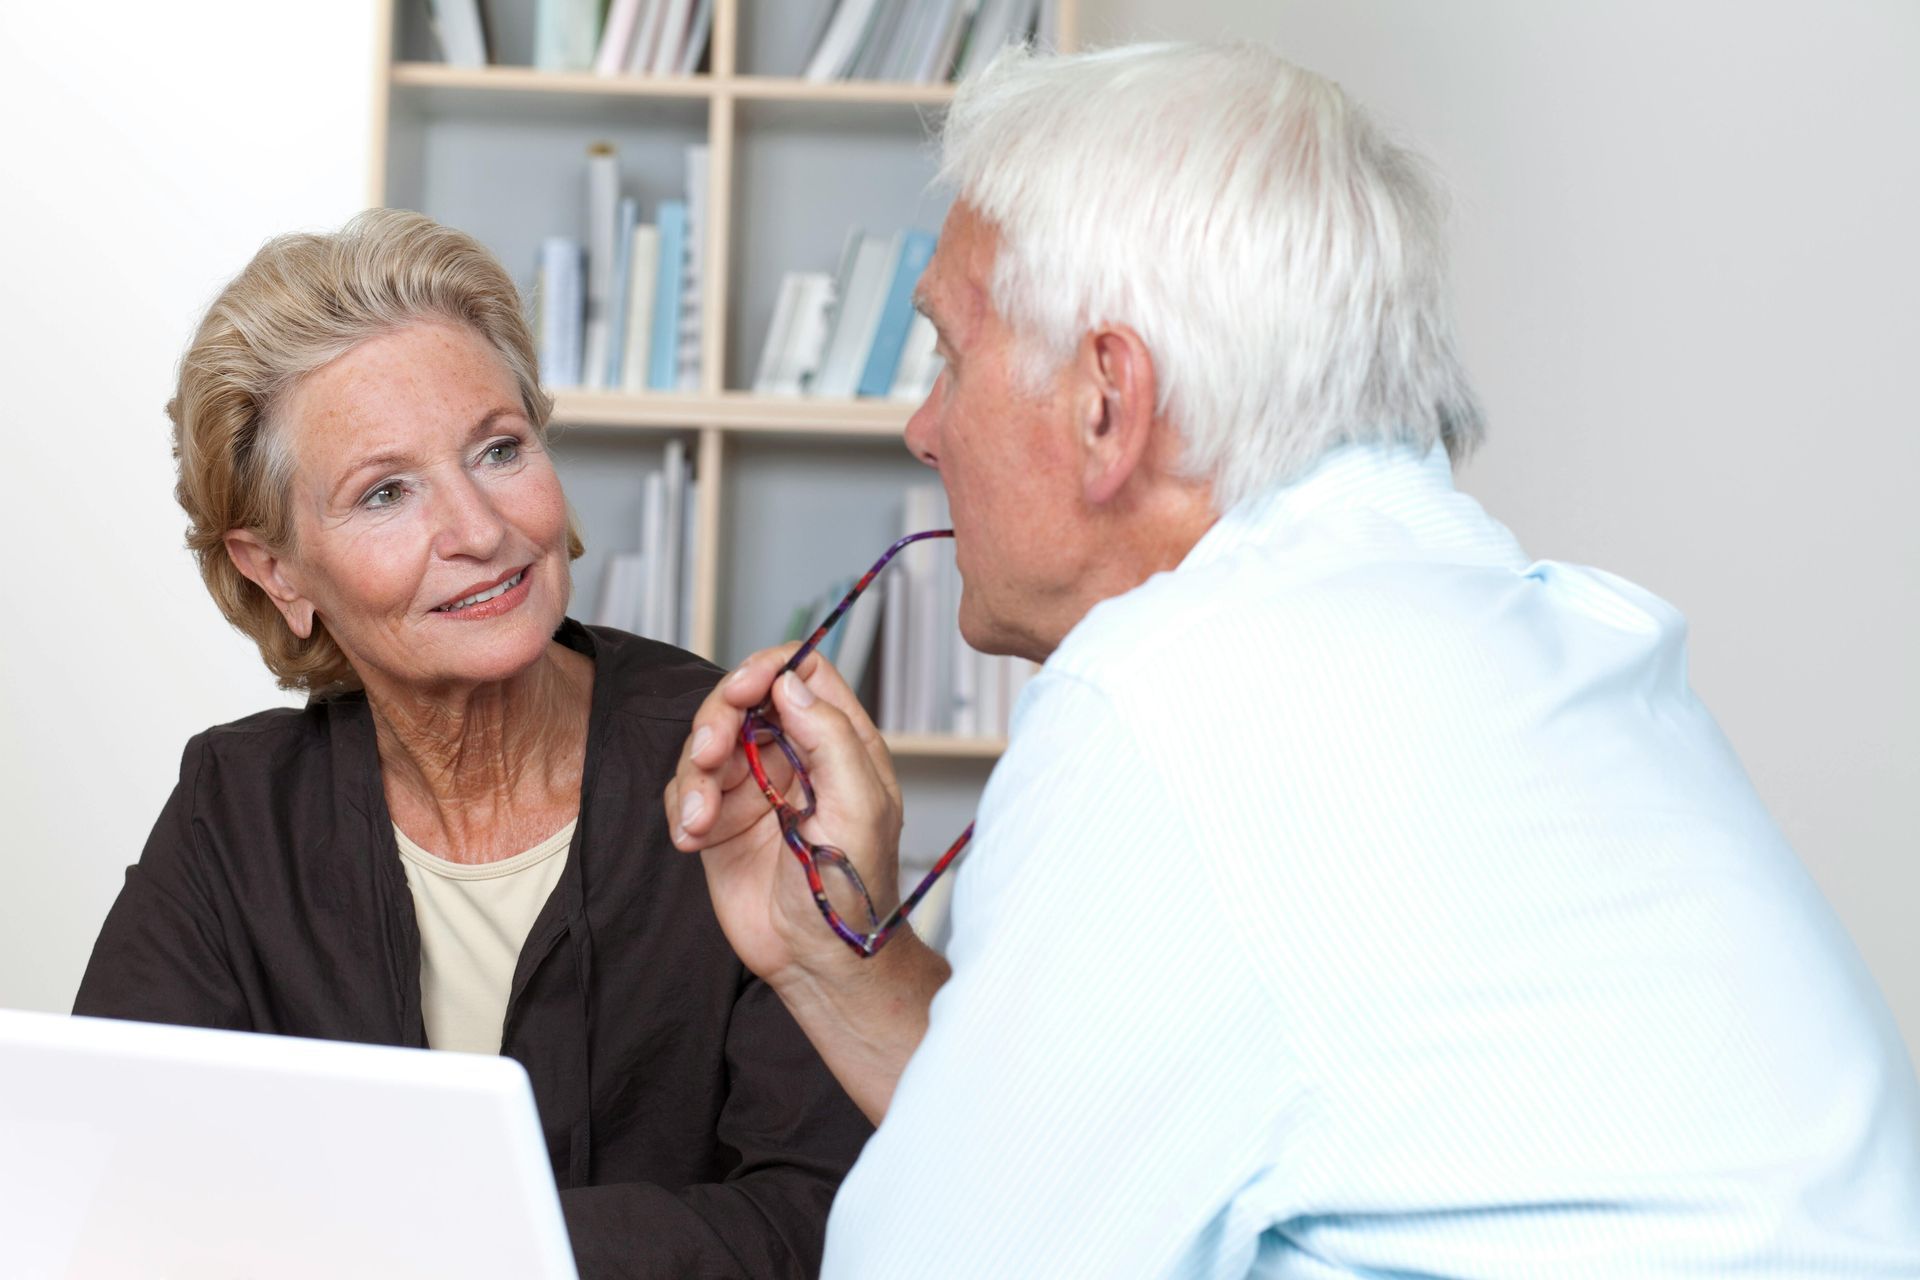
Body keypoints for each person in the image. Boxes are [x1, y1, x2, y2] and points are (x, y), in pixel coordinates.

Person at [668, 43, 1920, 1277]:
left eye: (948, 355)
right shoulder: (1529, 630)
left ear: (1108, 400)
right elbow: (1104, 1147)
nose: (921, 427)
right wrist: (832, 951)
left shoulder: (1182, 699)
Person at [74, 209, 870, 1278]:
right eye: (386, 491)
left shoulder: (734, 774)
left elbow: (830, 1217)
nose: (481, 529)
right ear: (279, 571)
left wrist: (433, 1245)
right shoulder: (235, 810)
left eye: (500, 449)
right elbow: (118, 1184)